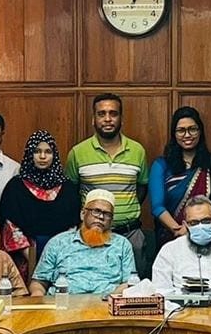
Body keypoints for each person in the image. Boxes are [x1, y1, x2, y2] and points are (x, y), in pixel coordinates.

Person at [65, 93, 151, 276]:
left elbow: (141, 188)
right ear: (93, 119)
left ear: (121, 118)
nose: (107, 119)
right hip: (92, 235)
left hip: (130, 234)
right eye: (101, 114)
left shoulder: (137, 151)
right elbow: (72, 192)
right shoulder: (78, 153)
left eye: (113, 113)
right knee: (94, 286)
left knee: (135, 290)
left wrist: (123, 211)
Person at [0, 130, 82, 278]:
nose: (42, 157)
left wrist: (55, 254)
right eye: (37, 151)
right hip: (25, 257)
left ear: (54, 155)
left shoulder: (67, 187)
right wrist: (31, 256)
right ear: (30, 153)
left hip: (62, 256)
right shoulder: (16, 186)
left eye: (48, 152)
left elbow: (74, 224)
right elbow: (10, 224)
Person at [148, 107, 211, 245]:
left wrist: (195, 229)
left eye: (192, 129)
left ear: (200, 132)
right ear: (174, 134)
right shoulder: (161, 165)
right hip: (171, 239)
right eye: (181, 130)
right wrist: (179, 230)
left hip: (207, 235)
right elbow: (157, 206)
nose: (187, 135)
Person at [29, 190, 136, 296]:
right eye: (96, 211)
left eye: (107, 214)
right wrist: (38, 297)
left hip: (106, 307)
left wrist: (109, 300)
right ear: (82, 214)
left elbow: (129, 283)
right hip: (63, 306)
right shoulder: (58, 243)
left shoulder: (122, 245)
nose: (101, 217)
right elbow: (39, 282)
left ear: (111, 221)